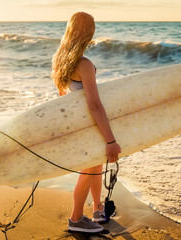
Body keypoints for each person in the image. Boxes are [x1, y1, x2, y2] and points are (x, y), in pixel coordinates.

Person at [51, 12, 121, 233]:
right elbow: (95, 105)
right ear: (89, 34)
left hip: (81, 125)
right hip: (91, 125)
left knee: (96, 166)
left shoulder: (60, 59)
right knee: (89, 170)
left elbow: (64, 97)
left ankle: (98, 209)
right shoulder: (84, 64)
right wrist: (111, 140)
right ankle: (76, 219)